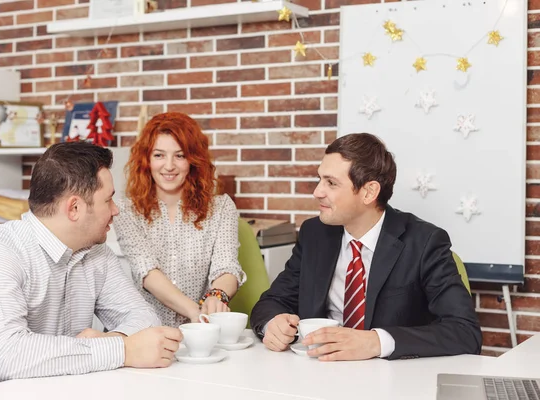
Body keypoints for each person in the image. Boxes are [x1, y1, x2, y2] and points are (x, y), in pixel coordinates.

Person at [0, 142, 182, 392]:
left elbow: (144, 318)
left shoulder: (95, 252)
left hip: (51, 390)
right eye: (108, 200)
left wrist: (112, 340)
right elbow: (10, 356)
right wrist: (124, 349)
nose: (116, 210)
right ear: (74, 208)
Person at [250, 133, 482, 361]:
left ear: (369, 192)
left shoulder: (424, 242)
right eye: (319, 179)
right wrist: (273, 323)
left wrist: (376, 341)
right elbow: (272, 301)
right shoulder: (315, 234)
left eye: (331, 183)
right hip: (319, 372)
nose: (317, 192)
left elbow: (464, 331)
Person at [114, 112, 245, 327]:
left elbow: (227, 266)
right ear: (146, 160)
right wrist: (196, 312)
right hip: (147, 329)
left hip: (203, 332)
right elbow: (146, 271)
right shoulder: (126, 210)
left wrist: (217, 296)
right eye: (159, 155)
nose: (169, 166)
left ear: (193, 160)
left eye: (180, 155)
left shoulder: (221, 208)